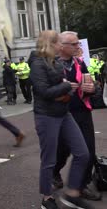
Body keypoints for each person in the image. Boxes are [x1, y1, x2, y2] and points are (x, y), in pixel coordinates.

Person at [30, 30, 92, 209]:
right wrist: (65, 86)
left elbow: (62, 87)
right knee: (49, 159)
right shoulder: (37, 63)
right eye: (58, 42)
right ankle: (47, 198)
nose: (61, 45)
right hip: (46, 116)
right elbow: (43, 92)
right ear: (51, 44)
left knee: (83, 153)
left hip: (64, 113)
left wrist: (67, 88)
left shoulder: (55, 62)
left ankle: (72, 193)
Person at [52, 31, 101, 201]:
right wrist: (62, 88)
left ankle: (82, 185)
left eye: (78, 44)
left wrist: (92, 89)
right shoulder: (51, 65)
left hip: (82, 111)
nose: (78, 47)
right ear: (62, 46)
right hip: (62, 114)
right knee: (62, 150)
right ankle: (54, 172)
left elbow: (91, 84)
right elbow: (43, 91)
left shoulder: (80, 63)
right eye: (74, 44)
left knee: (88, 150)